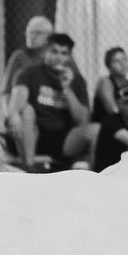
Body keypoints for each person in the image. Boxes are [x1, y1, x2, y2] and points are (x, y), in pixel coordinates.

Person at [8, 31, 90, 170]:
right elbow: (18, 101)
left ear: (69, 56)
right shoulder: (29, 73)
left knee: (94, 131)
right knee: (26, 110)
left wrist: (67, 88)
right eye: (54, 51)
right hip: (34, 134)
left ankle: (95, 176)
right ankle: (30, 168)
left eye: (64, 53)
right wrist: (14, 115)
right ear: (45, 52)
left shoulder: (76, 80)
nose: (58, 57)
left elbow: (82, 120)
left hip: (63, 138)